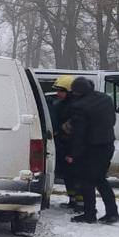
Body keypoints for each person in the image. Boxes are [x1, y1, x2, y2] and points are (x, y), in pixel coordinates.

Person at [64, 76, 119, 224]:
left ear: (77, 92)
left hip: (91, 148)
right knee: (100, 180)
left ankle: (89, 214)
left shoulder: (80, 106)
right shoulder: (106, 99)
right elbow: (113, 121)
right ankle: (112, 213)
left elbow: (79, 133)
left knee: (86, 181)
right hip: (107, 145)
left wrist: (72, 154)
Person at [47, 75, 82, 210]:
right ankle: (72, 200)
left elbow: (74, 128)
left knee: (77, 176)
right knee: (68, 175)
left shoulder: (76, 107)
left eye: (61, 91)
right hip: (64, 146)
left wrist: (60, 130)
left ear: (70, 91)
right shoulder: (61, 104)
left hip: (74, 147)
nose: (58, 93)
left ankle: (81, 203)